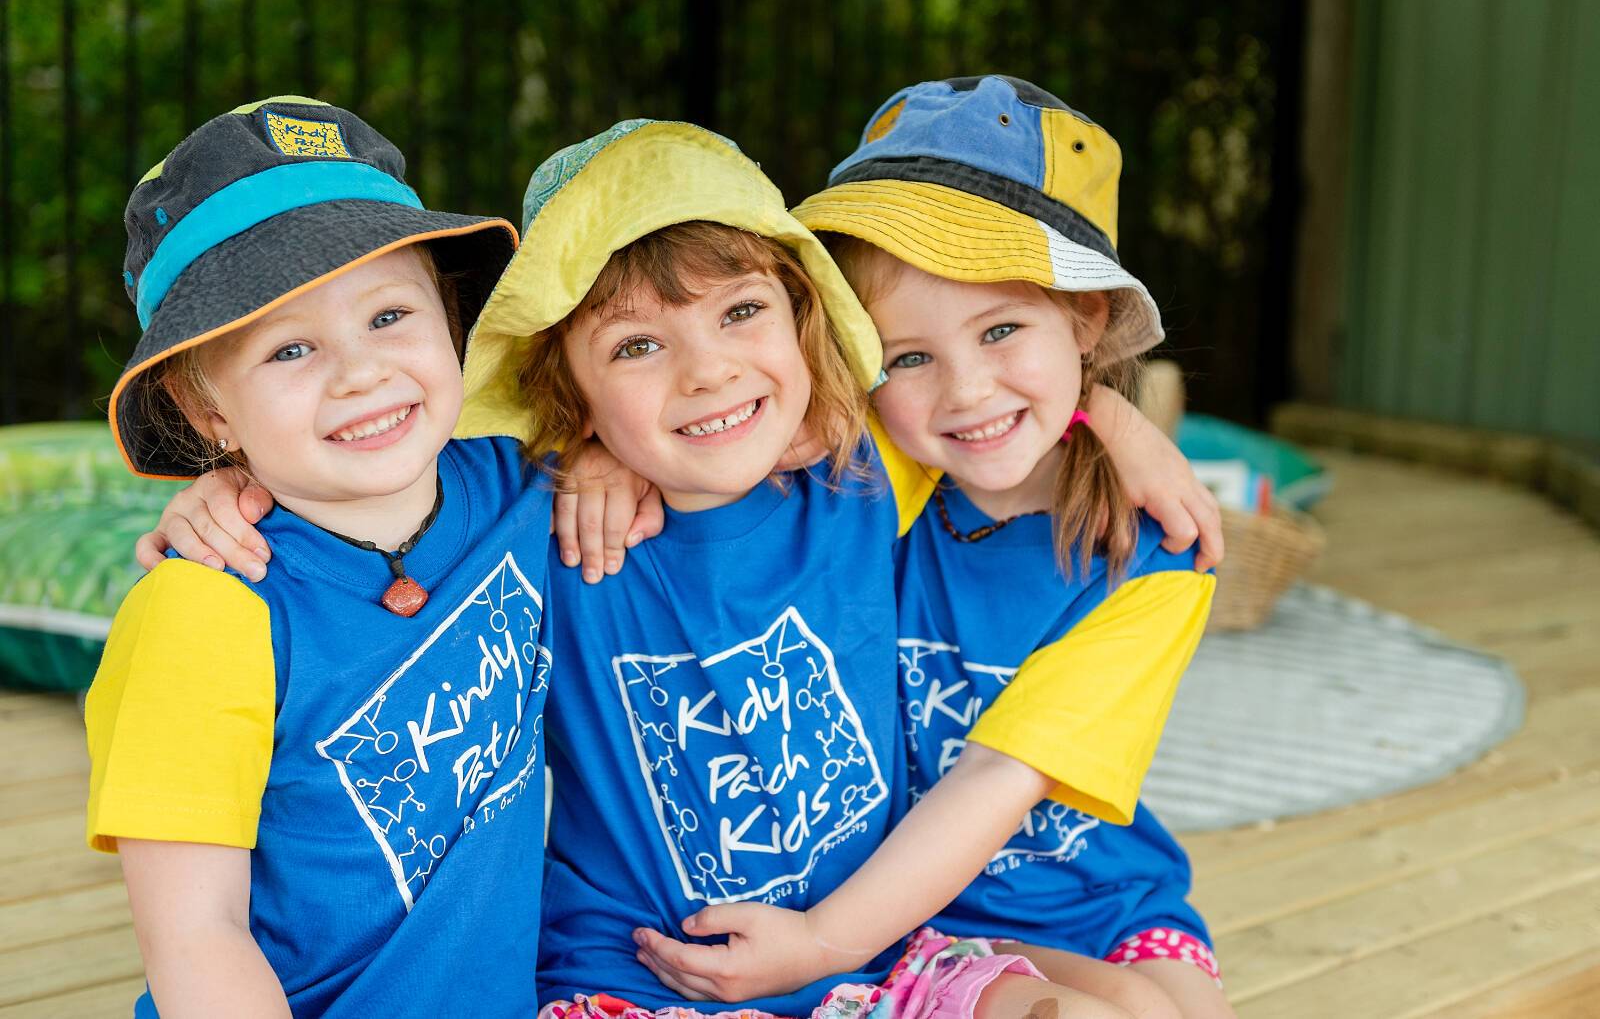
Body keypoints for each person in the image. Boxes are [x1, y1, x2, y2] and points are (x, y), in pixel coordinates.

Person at [137, 116, 1218, 1019]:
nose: (706, 372)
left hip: (873, 960)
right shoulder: (536, 519)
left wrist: (1108, 413)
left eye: (741, 312)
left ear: (801, 323)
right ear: (571, 393)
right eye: (636, 347)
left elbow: (978, 401)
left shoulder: (864, 472)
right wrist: (228, 490)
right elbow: (370, 492)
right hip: (640, 978)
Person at [636, 76, 1236, 1019]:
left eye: (1002, 329)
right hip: (902, 916)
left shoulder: (1156, 559)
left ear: (1085, 319)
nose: (965, 391)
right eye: (907, 357)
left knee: (1177, 1010)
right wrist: (604, 460)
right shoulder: (878, 475)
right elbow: (702, 442)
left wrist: (1104, 413)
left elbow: (1002, 775)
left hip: (1100, 901)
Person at [85, 97, 555, 1018]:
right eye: (290, 347)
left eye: (390, 315)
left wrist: (610, 467)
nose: (360, 372)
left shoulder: (526, 486)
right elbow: (196, 938)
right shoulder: (203, 613)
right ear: (207, 412)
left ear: (449, 318)